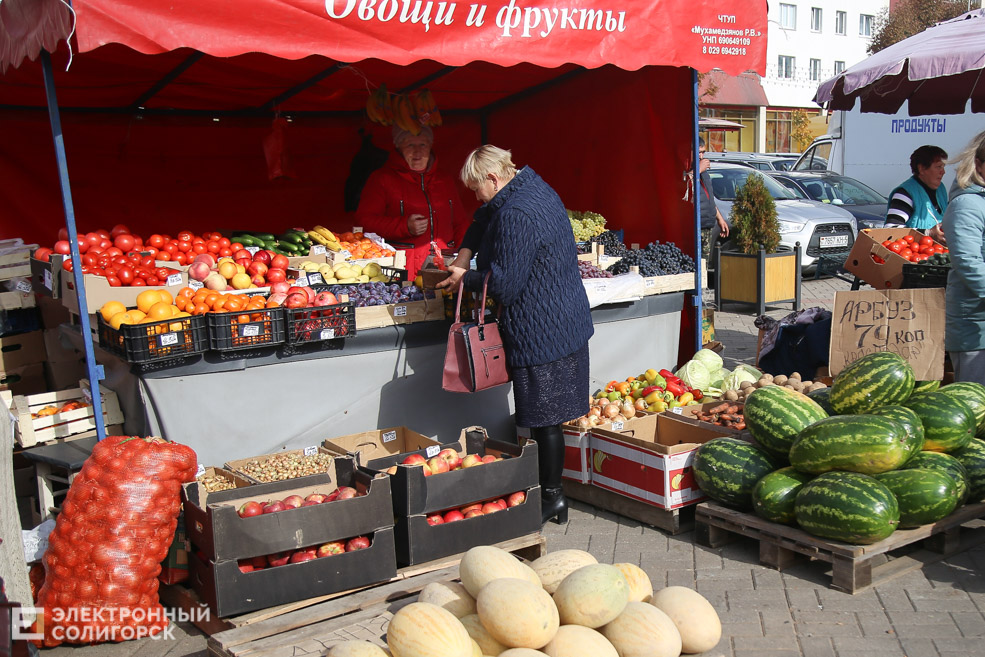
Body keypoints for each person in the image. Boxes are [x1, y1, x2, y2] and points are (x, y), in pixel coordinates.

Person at [436, 145, 593, 525]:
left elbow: (504, 286)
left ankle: (552, 498)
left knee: (545, 420)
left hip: (543, 329)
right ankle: (549, 495)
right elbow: (482, 216)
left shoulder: (517, 214)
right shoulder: (531, 187)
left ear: (493, 178)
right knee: (547, 418)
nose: (476, 196)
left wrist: (464, 277)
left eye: (477, 187)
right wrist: (464, 252)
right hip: (565, 318)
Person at [355, 125, 468, 278]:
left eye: (423, 144)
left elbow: (461, 223)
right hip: (402, 270)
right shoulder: (382, 179)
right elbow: (365, 222)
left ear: (430, 147)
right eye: (410, 145)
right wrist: (404, 226)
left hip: (445, 266)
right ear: (399, 147)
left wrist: (463, 257)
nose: (417, 151)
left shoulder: (445, 180)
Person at [942, 131, 985, 385]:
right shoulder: (967, 204)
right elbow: (968, 263)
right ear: (978, 165)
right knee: (976, 403)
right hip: (975, 327)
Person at [885, 145, 948, 243]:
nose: (943, 172)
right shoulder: (904, 194)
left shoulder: (941, 189)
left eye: (944, 167)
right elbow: (890, 230)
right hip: (913, 256)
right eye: (939, 167)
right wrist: (928, 233)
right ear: (921, 169)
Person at [698, 137, 729, 257]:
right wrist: (697, 170)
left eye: (703, 152)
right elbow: (685, 188)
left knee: (704, 262)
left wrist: (720, 219)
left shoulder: (704, 174)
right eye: (698, 152)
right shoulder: (689, 171)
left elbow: (709, 198)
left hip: (708, 225)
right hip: (695, 227)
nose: (701, 156)